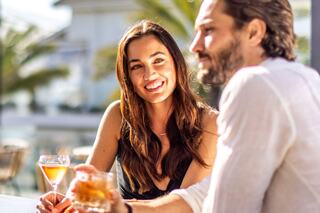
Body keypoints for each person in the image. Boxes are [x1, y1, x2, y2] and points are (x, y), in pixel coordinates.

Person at [108, 0, 320, 212]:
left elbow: (228, 207)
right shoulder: (305, 78)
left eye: (208, 30)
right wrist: (124, 209)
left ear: (254, 32)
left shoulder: (255, 84)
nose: (194, 46)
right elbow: (203, 194)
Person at [36, 20, 218, 212]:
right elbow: (86, 194)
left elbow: (183, 206)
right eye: (137, 66)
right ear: (127, 76)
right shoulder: (118, 116)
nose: (149, 74)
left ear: (176, 63)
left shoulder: (209, 123)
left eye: (158, 60)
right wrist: (63, 202)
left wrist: (118, 206)